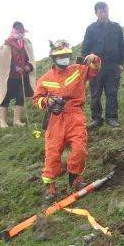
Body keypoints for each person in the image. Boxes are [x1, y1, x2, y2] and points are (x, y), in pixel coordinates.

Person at [33, 40, 101, 202]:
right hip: (55, 120)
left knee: (79, 149)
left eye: (66, 55)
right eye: (60, 56)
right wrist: (47, 102)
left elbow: (94, 70)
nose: (64, 58)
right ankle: (51, 187)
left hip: (75, 115)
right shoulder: (44, 79)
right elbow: (37, 99)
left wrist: (94, 59)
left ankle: (75, 178)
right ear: (54, 58)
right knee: (52, 153)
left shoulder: (78, 70)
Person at [81, 1, 124, 129]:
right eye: (100, 11)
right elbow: (85, 49)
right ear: (96, 13)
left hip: (113, 66)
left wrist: (120, 63)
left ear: (108, 11)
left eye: (105, 10)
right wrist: (89, 65)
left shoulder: (116, 27)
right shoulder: (91, 29)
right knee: (95, 94)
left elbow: (122, 46)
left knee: (112, 92)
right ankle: (96, 119)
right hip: (96, 68)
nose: (103, 13)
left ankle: (111, 117)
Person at [0, 22, 36, 129]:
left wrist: (28, 66)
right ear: (13, 31)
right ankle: (2, 121)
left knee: (20, 96)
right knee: (5, 97)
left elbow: (30, 58)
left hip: (21, 76)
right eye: (17, 31)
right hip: (9, 77)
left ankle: (16, 120)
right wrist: (14, 67)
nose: (20, 34)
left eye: (21, 32)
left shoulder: (26, 44)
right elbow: (3, 61)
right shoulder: (6, 45)